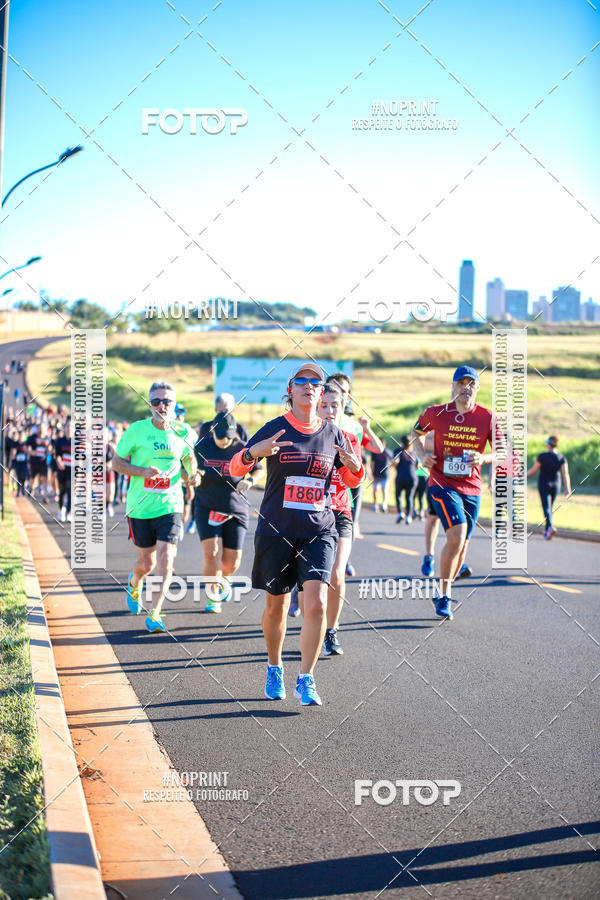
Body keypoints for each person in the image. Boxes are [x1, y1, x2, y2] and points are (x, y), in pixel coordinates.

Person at [230, 363, 363, 706]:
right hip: (278, 530)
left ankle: (307, 678)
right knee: (277, 606)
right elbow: (234, 467)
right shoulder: (275, 428)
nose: (309, 385)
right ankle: (275, 667)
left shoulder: (334, 434)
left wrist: (354, 468)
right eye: (301, 381)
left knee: (317, 602)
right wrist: (250, 453)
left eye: (315, 382)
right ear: (290, 390)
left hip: (319, 529)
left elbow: (352, 480)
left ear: (322, 393)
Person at [412, 366, 501, 619]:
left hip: (471, 487)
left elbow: (502, 451)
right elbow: (415, 432)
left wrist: (483, 457)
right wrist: (422, 457)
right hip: (442, 482)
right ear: (453, 386)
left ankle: (444, 587)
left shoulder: (487, 417)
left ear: (477, 388)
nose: (466, 388)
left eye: (471, 383)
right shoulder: (436, 412)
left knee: (462, 546)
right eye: (461, 383)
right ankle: (444, 596)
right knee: (457, 533)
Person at [112, 381, 200, 633]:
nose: (162, 406)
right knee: (146, 564)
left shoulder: (184, 433)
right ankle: (135, 581)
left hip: (170, 504)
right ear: (149, 405)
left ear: (174, 405)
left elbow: (188, 458)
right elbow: (116, 463)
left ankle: (156, 612)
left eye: (167, 401)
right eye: (156, 401)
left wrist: (193, 476)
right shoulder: (136, 431)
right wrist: (141, 471)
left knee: (166, 557)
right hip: (139, 507)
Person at [288, 383, 365, 655]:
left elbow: (354, 479)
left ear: (343, 408)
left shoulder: (350, 439)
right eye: (326, 405)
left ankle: (331, 631)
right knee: (307, 578)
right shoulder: (306, 435)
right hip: (309, 511)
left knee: (336, 572)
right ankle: (309, 618)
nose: (330, 410)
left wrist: (350, 465)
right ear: (317, 404)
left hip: (340, 511)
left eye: (336, 405)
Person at [193, 411, 263, 612]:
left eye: (229, 437)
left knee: (231, 563)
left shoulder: (242, 448)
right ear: (213, 431)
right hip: (207, 505)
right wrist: (193, 475)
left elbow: (258, 469)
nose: (225, 441)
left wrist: (250, 480)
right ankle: (212, 596)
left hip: (235, 507)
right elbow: (187, 467)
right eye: (221, 436)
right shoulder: (202, 447)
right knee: (211, 553)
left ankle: (224, 577)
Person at [527, 436, 571, 539]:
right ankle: (547, 532)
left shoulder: (542, 456)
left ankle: (550, 527)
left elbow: (533, 470)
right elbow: (565, 474)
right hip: (556, 484)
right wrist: (567, 488)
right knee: (550, 508)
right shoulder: (561, 457)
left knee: (546, 507)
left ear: (548, 444)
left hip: (544, 484)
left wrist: (522, 474)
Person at [393, 435, 418, 523]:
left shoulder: (398, 451)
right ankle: (409, 517)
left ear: (402, 443)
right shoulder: (414, 453)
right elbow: (417, 466)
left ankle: (400, 513)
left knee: (398, 495)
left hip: (400, 477)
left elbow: (395, 462)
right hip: (412, 477)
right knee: (409, 497)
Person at [54, 421, 73, 522]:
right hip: (62, 468)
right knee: (62, 491)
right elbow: (57, 455)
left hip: (72, 469)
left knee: (70, 491)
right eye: (68, 427)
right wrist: (59, 462)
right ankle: (61, 509)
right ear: (65, 428)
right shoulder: (59, 441)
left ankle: (69, 512)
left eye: (71, 427)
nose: (69, 429)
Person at [370, 440, 393, 513]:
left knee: (383, 490)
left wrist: (389, 469)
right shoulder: (375, 452)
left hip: (384, 474)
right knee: (377, 490)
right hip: (377, 474)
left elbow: (392, 461)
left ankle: (383, 505)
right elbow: (372, 463)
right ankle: (377, 505)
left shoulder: (387, 452)